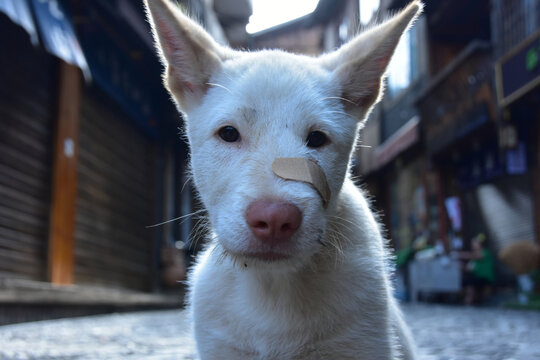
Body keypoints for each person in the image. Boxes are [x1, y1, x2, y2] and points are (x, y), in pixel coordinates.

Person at [455, 233, 495, 305]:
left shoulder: (485, 252)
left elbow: (475, 256)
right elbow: (469, 269)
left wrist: (459, 255)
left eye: (475, 243)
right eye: (473, 243)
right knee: (463, 281)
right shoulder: (473, 258)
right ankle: (467, 300)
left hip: (486, 278)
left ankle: (469, 300)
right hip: (477, 277)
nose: (473, 245)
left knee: (470, 281)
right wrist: (462, 266)